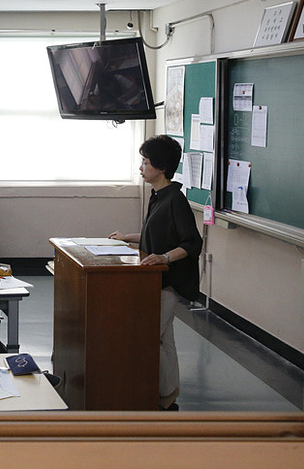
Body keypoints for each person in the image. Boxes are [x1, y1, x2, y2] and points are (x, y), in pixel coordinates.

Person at [109, 134, 203, 412]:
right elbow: (156, 235)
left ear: (161, 167)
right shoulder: (158, 196)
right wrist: (128, 237)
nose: (141, 167)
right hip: (154, 281)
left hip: (168, 282)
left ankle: (164, 394)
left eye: (145, 162)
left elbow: (191, 243)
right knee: (164, 337)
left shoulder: (175, 199)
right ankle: (168, 393)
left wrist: (163, 258)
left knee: (152, 334)